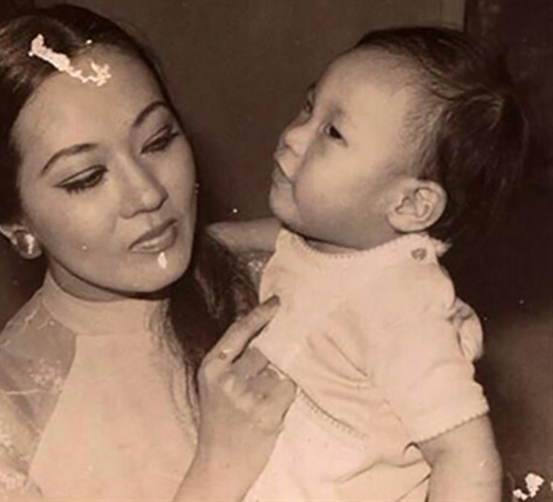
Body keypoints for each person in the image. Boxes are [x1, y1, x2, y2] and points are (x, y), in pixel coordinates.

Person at [0, 5, 297, 501]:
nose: (148, 194)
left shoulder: (278, 267)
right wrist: (218, 469)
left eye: (158, 141)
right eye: (86, 178)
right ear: (17, 224)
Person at [213, 27, 529, 501]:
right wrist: (206, 242)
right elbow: (268, 240)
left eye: (332, 132)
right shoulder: (329, 239)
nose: (293, 135)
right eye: (308, 106)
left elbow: (464, 452)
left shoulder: (403, 309)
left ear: (410, 204)